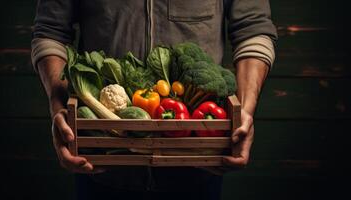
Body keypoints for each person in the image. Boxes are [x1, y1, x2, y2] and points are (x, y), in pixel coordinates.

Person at [31, 0, 277, 199]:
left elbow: (253, 31)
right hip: (100, 162)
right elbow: (50, 33)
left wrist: (243, 111)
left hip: (199, 166)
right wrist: (58, 105)